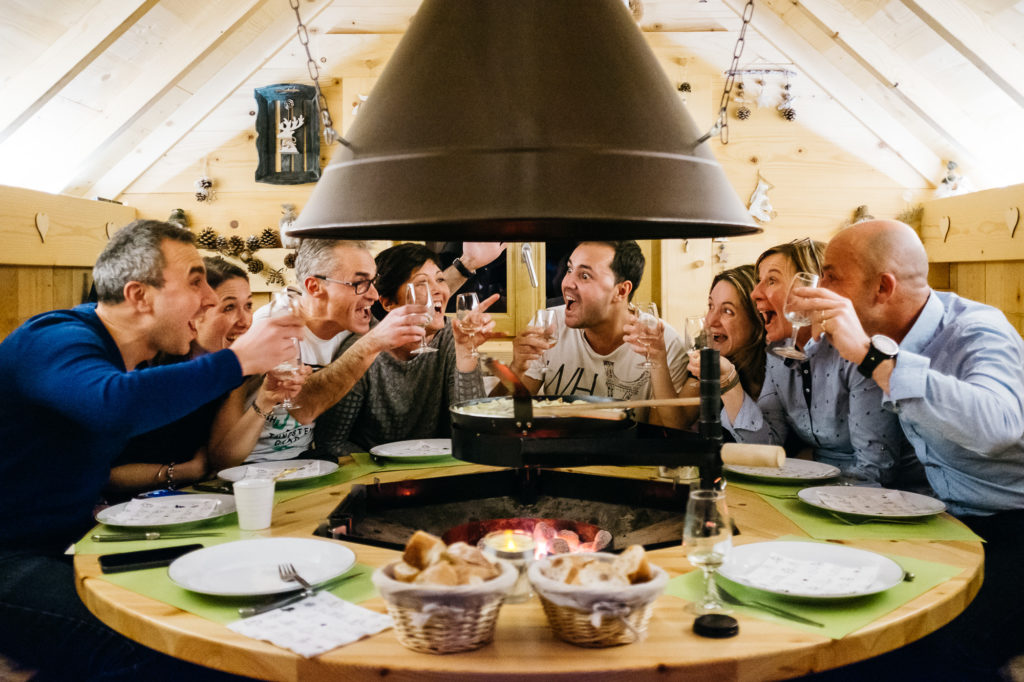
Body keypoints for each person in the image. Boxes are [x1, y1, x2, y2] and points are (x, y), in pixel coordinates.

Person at [0, 219, 300, 680]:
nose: (206, 299)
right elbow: (114, 405)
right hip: (10, 557)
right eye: (195, 282)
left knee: (242, 597)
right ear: (140, 296)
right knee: (171, 649)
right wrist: (239, 360)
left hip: (74, 542)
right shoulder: (55, 338)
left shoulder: (133, 358)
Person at [791, 219, 1024, 680]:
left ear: (883, 287)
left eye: (832, 275)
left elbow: (1001, 425)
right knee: (836, 610)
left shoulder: (977, 330)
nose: (820, 287)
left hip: (1017, 523)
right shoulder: (879, 341)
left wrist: (870, 355)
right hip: (948, 521)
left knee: (941, 649)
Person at [208, 238, 429, 467]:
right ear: (315, 287)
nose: (373, 294)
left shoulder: (352, 320)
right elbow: (303, 409)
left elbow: (426, 314)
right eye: (360, 283)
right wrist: (370, 344)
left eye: (373, 281)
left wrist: (466, 265)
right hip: (249, 469)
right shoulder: (273, 326)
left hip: (304, 463)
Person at [105, 258, 305, 500]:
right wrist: (182, 472)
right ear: (194, 311)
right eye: (229, 307)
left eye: (248, 305)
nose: (245, 321)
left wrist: (265, 400)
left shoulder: (234, 369)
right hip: (125, 507)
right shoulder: (149, 368)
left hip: (191, 501)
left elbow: (225, 458)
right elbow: (106, 475)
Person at [718, 238, 914, 486]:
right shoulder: (778, 354)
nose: (755, 293)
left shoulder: (857, 354)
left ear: (813, 290)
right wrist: (728, 380)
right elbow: (767, 447)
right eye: (759, 281)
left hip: (887, 498)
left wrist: (807, 493)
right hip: (820, 487)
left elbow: (875, 471)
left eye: (772, 280)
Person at [315, 243, 495, 457]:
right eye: (421, 283)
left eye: (440, 279)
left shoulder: (454, 337)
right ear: (388, 303)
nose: (438, 290)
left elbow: (473, 431)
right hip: (374, 474)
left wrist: (466, 350)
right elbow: (331, 442)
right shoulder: (362, 348)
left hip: (438, 468)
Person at [505, 240, 687, 427]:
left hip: (626, 452)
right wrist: (517, 367)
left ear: (621, 290)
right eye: (569, 270)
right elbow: (504, 415)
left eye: (584, 275)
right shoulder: (549, 326)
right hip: (557, 449)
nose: (567, 283)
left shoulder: (662, 342)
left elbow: (666, 434)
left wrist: (658, 364)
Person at [673, 265, 766, 430]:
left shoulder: (775, 368)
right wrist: (657, 358)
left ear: (756, 319)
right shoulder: (706, 351)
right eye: (711, 306)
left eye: (728, 311)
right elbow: (678, 421)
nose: (711, 321)